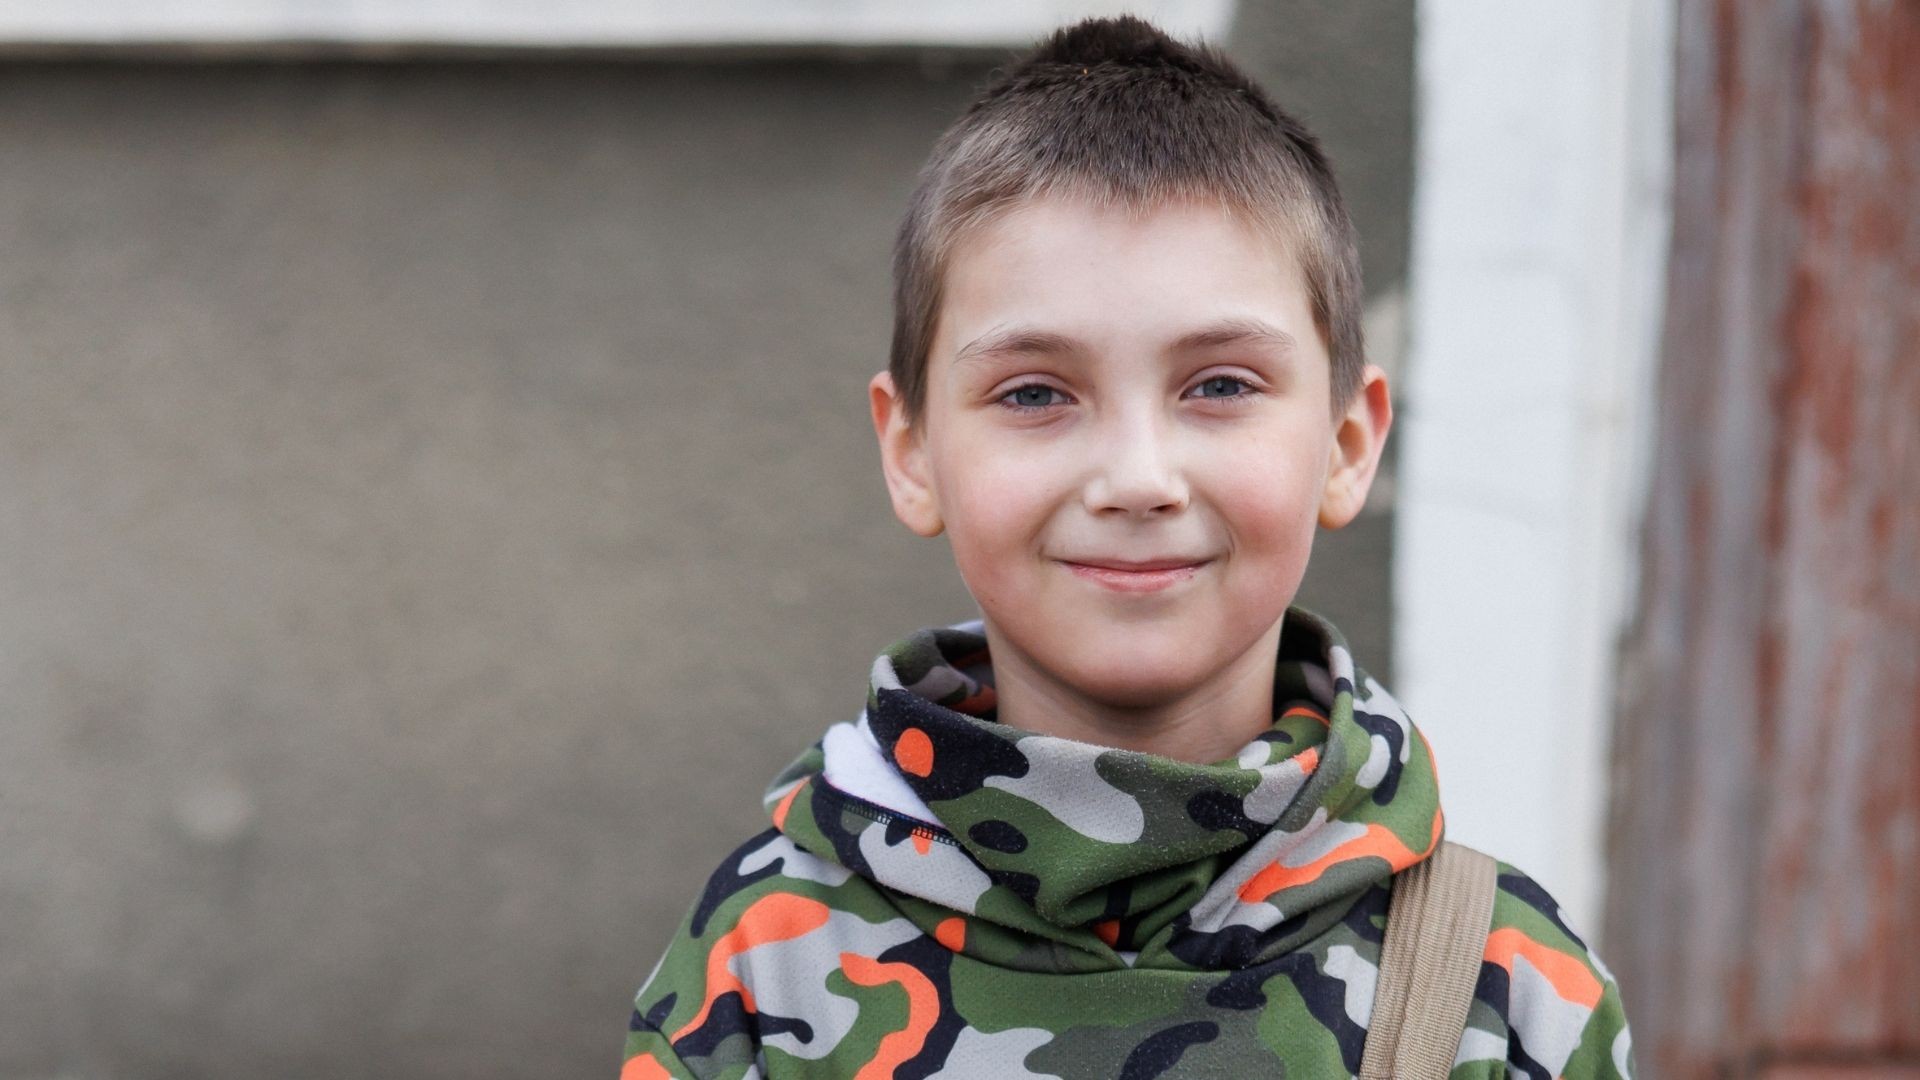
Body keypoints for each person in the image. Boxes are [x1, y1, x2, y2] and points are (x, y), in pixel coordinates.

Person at [621, 15, 1633, 1079]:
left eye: (1220, 386)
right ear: (914, 451)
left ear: (1345, 443)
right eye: (1035, 394)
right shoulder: (760, 964)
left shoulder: (1504, 989)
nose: (1139, 478)